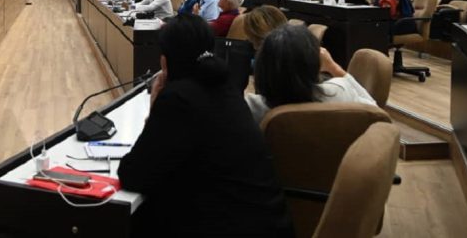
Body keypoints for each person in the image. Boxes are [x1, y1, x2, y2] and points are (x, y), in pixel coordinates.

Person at [118, 14, 293, 238]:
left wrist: (155, 107)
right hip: (264, 223)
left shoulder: (179, 97)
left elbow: (135, 174)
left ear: (164, 61)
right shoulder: (225, 85)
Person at [245, 24, 376, 124]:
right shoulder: (339, 92)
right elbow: (375, 113)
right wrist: (334, 68)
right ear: (315, 62)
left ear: (261, 66)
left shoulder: (251, 107)